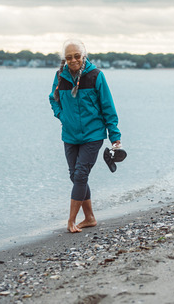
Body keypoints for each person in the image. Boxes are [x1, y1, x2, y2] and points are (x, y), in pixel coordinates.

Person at [49, 39, 121, 232]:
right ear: (65, 59)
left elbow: (107, 105)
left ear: (84, 56)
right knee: (75, 176)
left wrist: (114, 135)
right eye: (69, 57)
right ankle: (89, 217)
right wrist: (62, 115)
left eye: (77, 56)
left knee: (81, 175)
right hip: (70, 135)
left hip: (93, 134)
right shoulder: (60, 76)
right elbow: (52, 99)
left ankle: (71, 221)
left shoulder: (96, 76)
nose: (73, 60)